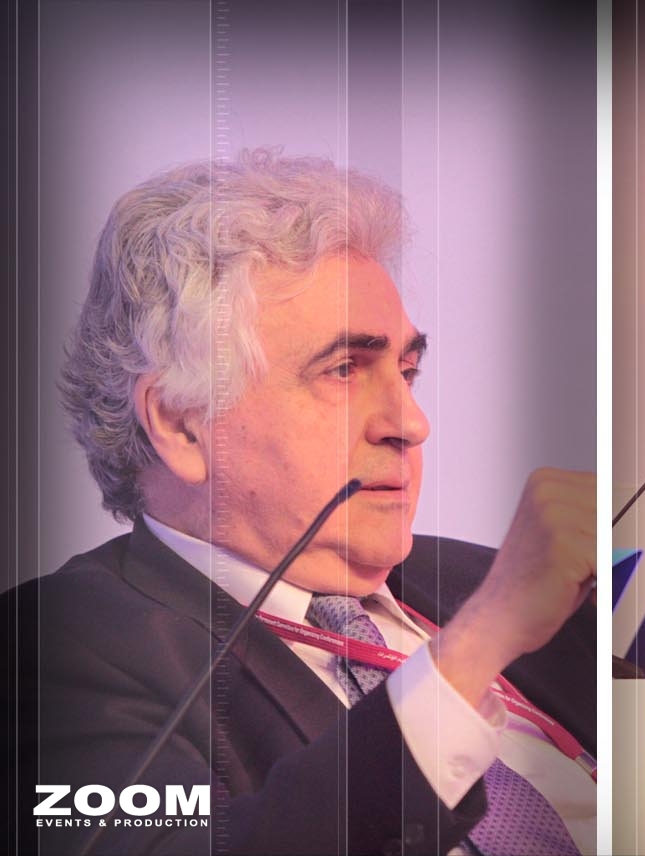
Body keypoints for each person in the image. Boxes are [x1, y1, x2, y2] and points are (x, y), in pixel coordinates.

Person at [3, 150, 597, 855]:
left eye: (407, 371)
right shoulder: (54, 650)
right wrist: (477, 645)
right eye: (344, 370)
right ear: (182, 423)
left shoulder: (484, 579)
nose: (410, 423)